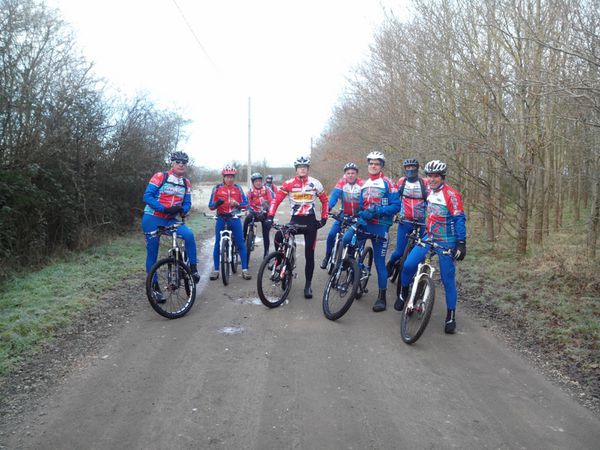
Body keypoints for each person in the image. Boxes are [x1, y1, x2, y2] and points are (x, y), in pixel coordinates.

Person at [397, 160, 466, 334]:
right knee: (408, 266)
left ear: (442, 177)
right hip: (429, 236)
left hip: (447, 241)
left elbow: (459, 219)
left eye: (435, 176)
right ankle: (403, 295)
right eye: (429, 176)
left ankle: (451, 317)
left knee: (447, 279)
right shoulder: (427, 191)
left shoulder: (451, 194)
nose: (432, 179)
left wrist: (461, 243)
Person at [345, 150, 400, 312]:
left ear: (381, 166)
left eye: (377, 164)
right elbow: (361, 206)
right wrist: (361, 213)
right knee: (346, 240)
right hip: (364, 224)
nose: (374, 166)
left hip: (380, 226)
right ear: (368, 165)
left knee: (379, 263)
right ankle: (356, 274)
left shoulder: (388, 183)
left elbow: (396, 206)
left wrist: (377, 211)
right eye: (371, 163)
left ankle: (381, 298)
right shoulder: (365, 184)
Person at [267, 156, 328, 299]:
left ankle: (308, 285)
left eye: (305, 167)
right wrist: (270, 216)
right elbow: (276, 200)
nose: (302, 169)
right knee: (278, 236)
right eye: (300, 167)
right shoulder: (288, 183)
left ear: (308, 169)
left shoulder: (315, 183)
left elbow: (325, 201)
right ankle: (281, 261)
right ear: (296, 169)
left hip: (310, 222)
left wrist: (324, 218)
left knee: (309, 255)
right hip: (295, 221)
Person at [142, 151, 199, 302]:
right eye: (178, 161)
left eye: (184, 162)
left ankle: (193, 270)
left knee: (188, 235)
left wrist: (183, 210)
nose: (181, 164)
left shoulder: (186, 183)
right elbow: (147, 196)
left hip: (170, 220)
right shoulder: (160, 176)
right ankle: (154, 288)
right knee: (152, 254)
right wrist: (163, 208)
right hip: (152, 218)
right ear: (172, 163)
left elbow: (187, 202)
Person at [208, 165, 252, 281]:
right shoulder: (217, 188)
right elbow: (211, 206)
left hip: (234, 217)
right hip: (221, 218)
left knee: (241, 243)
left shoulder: (238, 188)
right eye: (227, 176)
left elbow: (246, 204)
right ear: (223, 177)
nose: (230, 179)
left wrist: (237, 204)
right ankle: (216, 270)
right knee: (217, 243)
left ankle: (244, 270)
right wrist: (218, 203)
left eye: (232, 176)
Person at [386, 158, 428, 275]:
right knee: (399, 252)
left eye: (413, 168)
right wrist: (393, 214)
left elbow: (431, 201)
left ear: (417, 169)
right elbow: (394, 199)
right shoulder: (402, 182)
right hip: (405, 221)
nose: (410, 170)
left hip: (421, 222)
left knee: (418, 253)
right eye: (408, 168)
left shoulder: (424, 183)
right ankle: (391, 262)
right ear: (405, 169)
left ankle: (415, 276)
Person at [320, 162, 364, 269]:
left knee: (356, 242)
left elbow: (366, 201)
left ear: (357, 174)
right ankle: (327, 257)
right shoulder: (341, 183)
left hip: (358, 217)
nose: (350, 175)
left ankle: (353, 263)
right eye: (348, 173)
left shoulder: (363, 184)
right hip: (344, 215)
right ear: (345, 174)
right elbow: (334, 196)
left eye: (353, 173)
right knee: (331, 235)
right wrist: (327, 208)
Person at [243, 172, 273, 258]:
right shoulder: (250, 191)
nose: (258, 183)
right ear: (253, 182)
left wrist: (267, 210)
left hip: (264, 213)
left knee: (266, 232)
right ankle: (243, 239)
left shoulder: (267, 189)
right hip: (254, 212)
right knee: (247, 219)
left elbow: (271, 202)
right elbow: (247, 203)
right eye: (256, 181)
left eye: (259, 181)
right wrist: (248, 210)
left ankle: (266, 253)